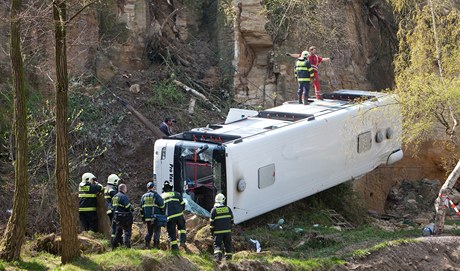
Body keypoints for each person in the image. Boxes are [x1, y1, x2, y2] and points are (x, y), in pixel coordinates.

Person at [161, 181, 186, 251]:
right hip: (179, 215)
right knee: (182, 229)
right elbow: (183, 204)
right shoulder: (176, 194)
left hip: (170, 217)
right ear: (171, 188)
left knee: (172, 232)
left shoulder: (162, 196)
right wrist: (181, 211)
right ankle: (182, 241)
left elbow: (161, 208)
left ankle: (175, 248)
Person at [140, 181, 165, 249]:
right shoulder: (156, 196)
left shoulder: (143, 197)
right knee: (157, 231)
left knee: (149, 232)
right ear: (153, 187)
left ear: (147, 188)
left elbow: (141, 209)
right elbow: (162, 206)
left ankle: (147, 245)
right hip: (156, 218)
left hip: (147, 218)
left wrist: (143, 218)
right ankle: (156, 246)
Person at [210, 193, 234, 262]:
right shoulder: (228, 209)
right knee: (228, 245)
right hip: (227, 231)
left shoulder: (214, 210)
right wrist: (229, 229)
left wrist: (212, 233)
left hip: (218, 233)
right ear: (223, 200)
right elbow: (232, 221)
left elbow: (211, 224)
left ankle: (218, 260)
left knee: (217, 246)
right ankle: (229, 261)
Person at [112, 183, 134, 249]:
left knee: (118, 232)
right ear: (124, 189)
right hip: (124, 217)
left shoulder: (114, 196)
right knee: (127, 232)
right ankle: (127, 247)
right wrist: (132, 207)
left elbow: (113, 207)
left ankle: (114, 246)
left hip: (116, 217)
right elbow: (127, 206)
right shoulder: (123, 196)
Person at [105, 174, 120, 242]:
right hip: (113, 209)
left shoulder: (107, 188)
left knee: (114, 225)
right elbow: (118, 197)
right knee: (115, 226)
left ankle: (114, 241)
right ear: (114, 181)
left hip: (109, 209)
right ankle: (115, 242)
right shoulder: (112, 189)